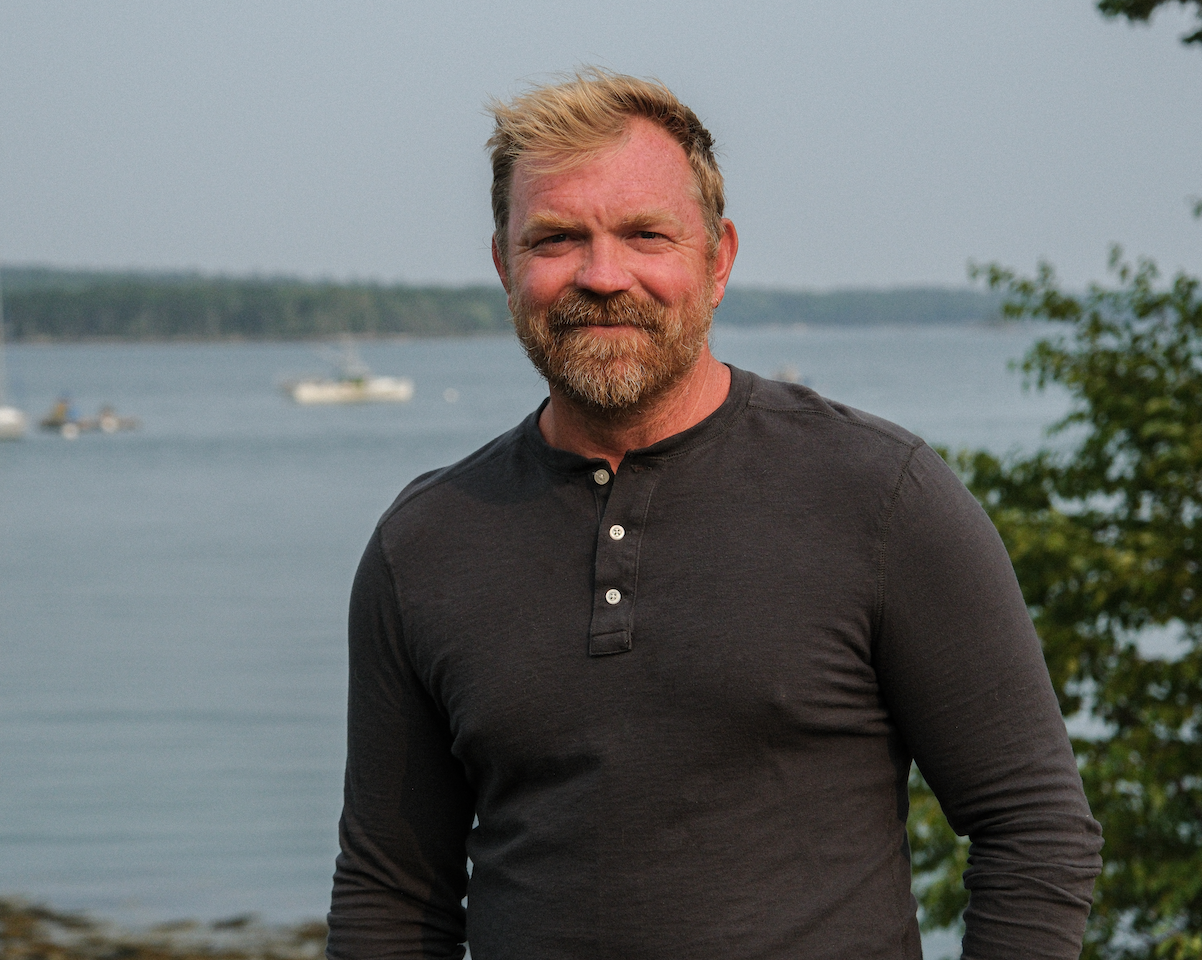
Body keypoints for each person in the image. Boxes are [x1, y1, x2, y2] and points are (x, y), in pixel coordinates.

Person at [327, 70, 1102, 960]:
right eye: (556, 239)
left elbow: (1036, 829)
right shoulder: (425, 545)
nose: (602, 275)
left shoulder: (880, 498)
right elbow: (392, 898)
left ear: (717, 259)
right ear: (504, 265)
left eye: (645, 234)